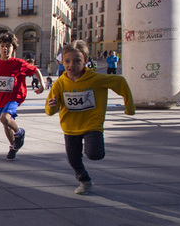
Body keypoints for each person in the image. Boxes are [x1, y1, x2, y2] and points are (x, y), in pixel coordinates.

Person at [46, 40, 135, 195]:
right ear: (62, 62)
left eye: (77, 61)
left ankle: (92, 150)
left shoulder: (96, 79)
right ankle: (84, 180)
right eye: (67, 61)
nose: (71, 65)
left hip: (92, 125)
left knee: (95, 154)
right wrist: (52, 105)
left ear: (86, 61)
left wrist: (130, 109)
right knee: (73, 160)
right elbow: (50, 109)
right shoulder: (60, 83)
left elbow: (120, 82)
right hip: (70, 127)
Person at [0, 32, 44, 160]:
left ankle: (19, 133)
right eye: (2, 46)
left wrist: (42, 85)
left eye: (8, 46)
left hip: (15, 97)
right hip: (1, 99)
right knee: (6, 126)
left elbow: (35, 70)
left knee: (5, 118)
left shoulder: (18, 63)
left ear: (13, 48)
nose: (5, 49)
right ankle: (14, 146)